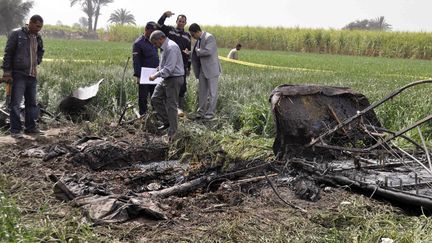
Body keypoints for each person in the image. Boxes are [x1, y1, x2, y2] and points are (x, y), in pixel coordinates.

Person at [1, 15, 45, 138]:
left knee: (31, 103)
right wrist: (6, 72)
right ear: (30, 23)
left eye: (40, 27)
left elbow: (41, 50)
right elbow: (8, 53)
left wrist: (37, 60)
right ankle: (15, 130)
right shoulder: (17, 34)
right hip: (18, 74)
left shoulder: (38, 37)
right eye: (37, 26)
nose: (38, 29)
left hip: (32, 74)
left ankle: (30, 128)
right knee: (15, 103)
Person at [149, 30, 184, 142]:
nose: (155, 45)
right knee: (155, 98)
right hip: (166, 78)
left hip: (174, 78)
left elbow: (169, 69)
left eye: (155, 43)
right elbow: (163, 66)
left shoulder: (171, 47)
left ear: (160, 39)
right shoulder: (164, 48)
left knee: (171, 105)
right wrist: (157, 70)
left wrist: (155, 75)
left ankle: (173, 133)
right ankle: (167, 121)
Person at [157, 11, 191, 112]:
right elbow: (159, 25)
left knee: (182, 87)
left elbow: (189, 51)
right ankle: (167, 108)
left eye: (183, 21)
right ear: (176, 21)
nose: (181, 23)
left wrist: (189, 66)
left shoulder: (187, 35)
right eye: (179, 21)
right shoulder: (170, 31)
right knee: (167, 85)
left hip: (182, 64)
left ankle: (179, 109)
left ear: (185, 23)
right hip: (168, 63)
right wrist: (164, 16)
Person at [188, 23, 221, 120]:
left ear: (197, 31)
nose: (192, 37)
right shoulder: (198, 40)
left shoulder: (209, 37)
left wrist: (197, 51)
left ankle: (210, 114)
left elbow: (208, 51)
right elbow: (198, 53)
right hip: (202, 70)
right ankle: (200, 112)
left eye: (193, 35)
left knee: (212, 93)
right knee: (202, 92)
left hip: (212, 70)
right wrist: (190, 53)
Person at [132, 21, 159, 116]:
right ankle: (143, 116)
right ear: (146, 30)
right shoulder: (138, 43)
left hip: (155, 74)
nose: (153, 34)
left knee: (155, 96)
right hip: (144, 75)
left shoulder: (154, 42)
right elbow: (136, 61)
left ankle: (155, 115)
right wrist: (138, 76)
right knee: (143, 97)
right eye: (151, 31)